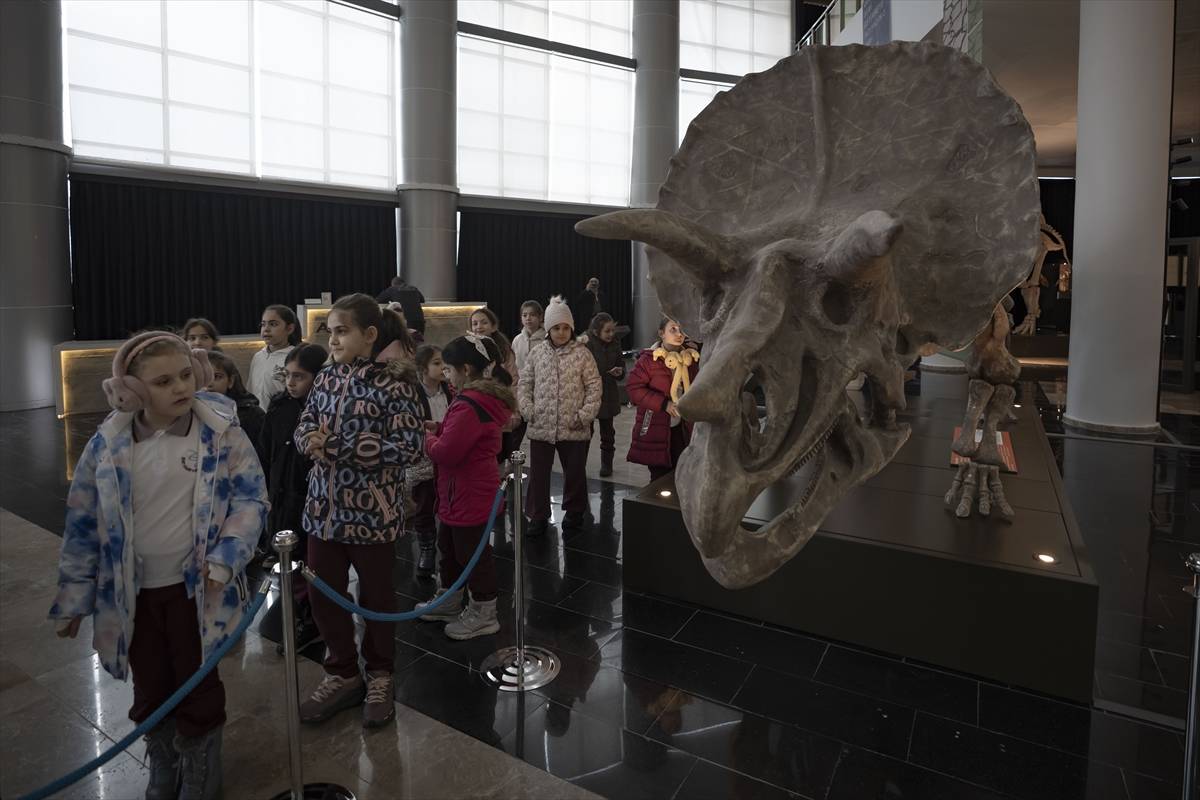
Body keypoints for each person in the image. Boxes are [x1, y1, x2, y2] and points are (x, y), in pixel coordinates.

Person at [50, 331, 266, 800]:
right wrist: (74, 598)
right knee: (150, 682)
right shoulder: (108, 445)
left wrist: (227, 557)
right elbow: (83, 522)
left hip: (197, 591)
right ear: (130, 389)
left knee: (197, 680)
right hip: (133, 593)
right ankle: (164, 758)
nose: (180, 388)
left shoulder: (221, 432)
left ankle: (201, 759)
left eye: (187, 375)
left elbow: (250, 498)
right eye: (163, 380)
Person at [295, 293, 425, 729]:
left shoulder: (397, 383)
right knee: (322, 594)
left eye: (342, 331)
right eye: (330, 331)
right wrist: (308, 439)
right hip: (322, 511)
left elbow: (409, 447)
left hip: (372, 512)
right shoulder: (326, 377)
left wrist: (337, 446)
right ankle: (343, 672)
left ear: (369, 335)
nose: (333, 340)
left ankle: (380, 675)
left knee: (377, 599)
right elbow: (305, 422)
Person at [414, 334, 515, 639]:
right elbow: (462, 436)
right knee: (450, 548)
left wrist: (427, 439)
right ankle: (450, 599)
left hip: (469, 492)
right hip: (460, 491)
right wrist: (441, 428)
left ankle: (484, 612)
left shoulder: (470, 402)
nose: (446, 375)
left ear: (466, 369)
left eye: (449, 369)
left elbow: (447, 451)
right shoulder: (473, 399)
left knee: (473, 555)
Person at [259, 342, 328, 651]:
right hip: (282, 495)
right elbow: (267, 451)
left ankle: (313, 615)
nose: (290, 383)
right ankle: (299, 605)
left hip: (310, 500)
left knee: (312, 560)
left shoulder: (323, 410)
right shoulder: (279, 406)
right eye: (287, 375)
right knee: (292, 559)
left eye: (299, 376)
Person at [519, 296, 601, 535]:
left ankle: (575, 512)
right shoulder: (537, 353)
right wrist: (527, 409)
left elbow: (595, 385)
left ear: (572, 329)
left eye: (566, 328)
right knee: (538, 474)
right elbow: (525, 383)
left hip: (573, 424)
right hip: (541, 424)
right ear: (548, 328)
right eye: (556, 328)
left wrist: (585, 414)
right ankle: (538, 515)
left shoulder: (583, 354)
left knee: (574, 472)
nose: (562, 332)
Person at [627, 316, 701, 481]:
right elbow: (634, 389)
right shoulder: (648, 360)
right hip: (656, 425)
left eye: (682, 330)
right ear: (662, 333)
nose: (679, 334)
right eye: (673, 329)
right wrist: (663, 404)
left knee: (683, 473)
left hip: (683, 427)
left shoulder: (690, 359)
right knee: (659, 478)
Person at [410, 344, 454, 577]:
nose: (443, 367)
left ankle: (449, 545)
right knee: (424, 504)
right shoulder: (413, 393)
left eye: (444, 362)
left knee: (448, 501)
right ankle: (427, 547)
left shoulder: (450, 390)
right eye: (437, 363)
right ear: (423, 368)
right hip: (424, 458)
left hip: (447, 456)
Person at [582, 312, 625, 478]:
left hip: (608, 393)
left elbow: (621, 366)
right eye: (607, 331)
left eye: (612, 331)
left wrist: (619, 372)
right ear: (595, 331)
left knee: (608, 433)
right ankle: (579, 464)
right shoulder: (586, 344)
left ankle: (607, 465)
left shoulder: (615, 343)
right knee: (586, 433)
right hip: (589, 394)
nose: (611, 334)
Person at [206, 350, 266, 461]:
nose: (209, 384)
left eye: (217, 377)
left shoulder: (252, 414)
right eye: (203, 377)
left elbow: (261, 457)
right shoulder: (186, 415)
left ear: (230, 381)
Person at [249, 304, 301, 410]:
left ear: (289, 329)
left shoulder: (295, 357)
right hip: (258, 419)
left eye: (273, 324)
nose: (266, 329)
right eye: (263, 324)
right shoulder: (258, 356)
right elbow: (251, 390)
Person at [511, 300, 546, 452]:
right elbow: (514, 365)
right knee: (517, 431)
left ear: (540, 317)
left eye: (532, 315)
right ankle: (512, 463)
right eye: (524, 315)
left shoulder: (546, 339)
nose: (528, 318)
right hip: (521, 390)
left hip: (540, 390)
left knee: (538, 429)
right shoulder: (517, 340)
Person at [469, 307, 517, 378]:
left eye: (484, 323)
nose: (479, 326)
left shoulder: (503, 349)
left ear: (494, 327)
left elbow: (513, 377)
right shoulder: (468, 348)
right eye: (475, 324)